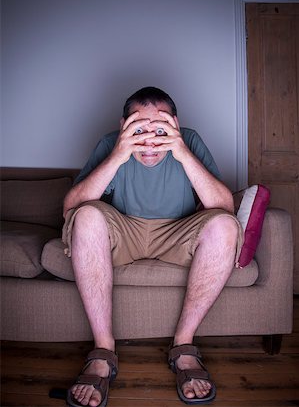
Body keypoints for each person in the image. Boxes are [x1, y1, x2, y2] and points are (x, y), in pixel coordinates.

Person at [63, 87, 243, 407]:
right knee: (87, 216)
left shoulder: (189, 140)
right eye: (139, 129)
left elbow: (223, 208)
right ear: (124, 127)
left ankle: (184, 348)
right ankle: (103, 352)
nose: (149, 141)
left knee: (225, 226)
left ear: (174, 124)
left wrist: (182, 151)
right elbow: (71, 208)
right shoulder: (111, 144)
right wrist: (119, 152)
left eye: (160, 129)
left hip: (177, 231)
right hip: (125, 228)